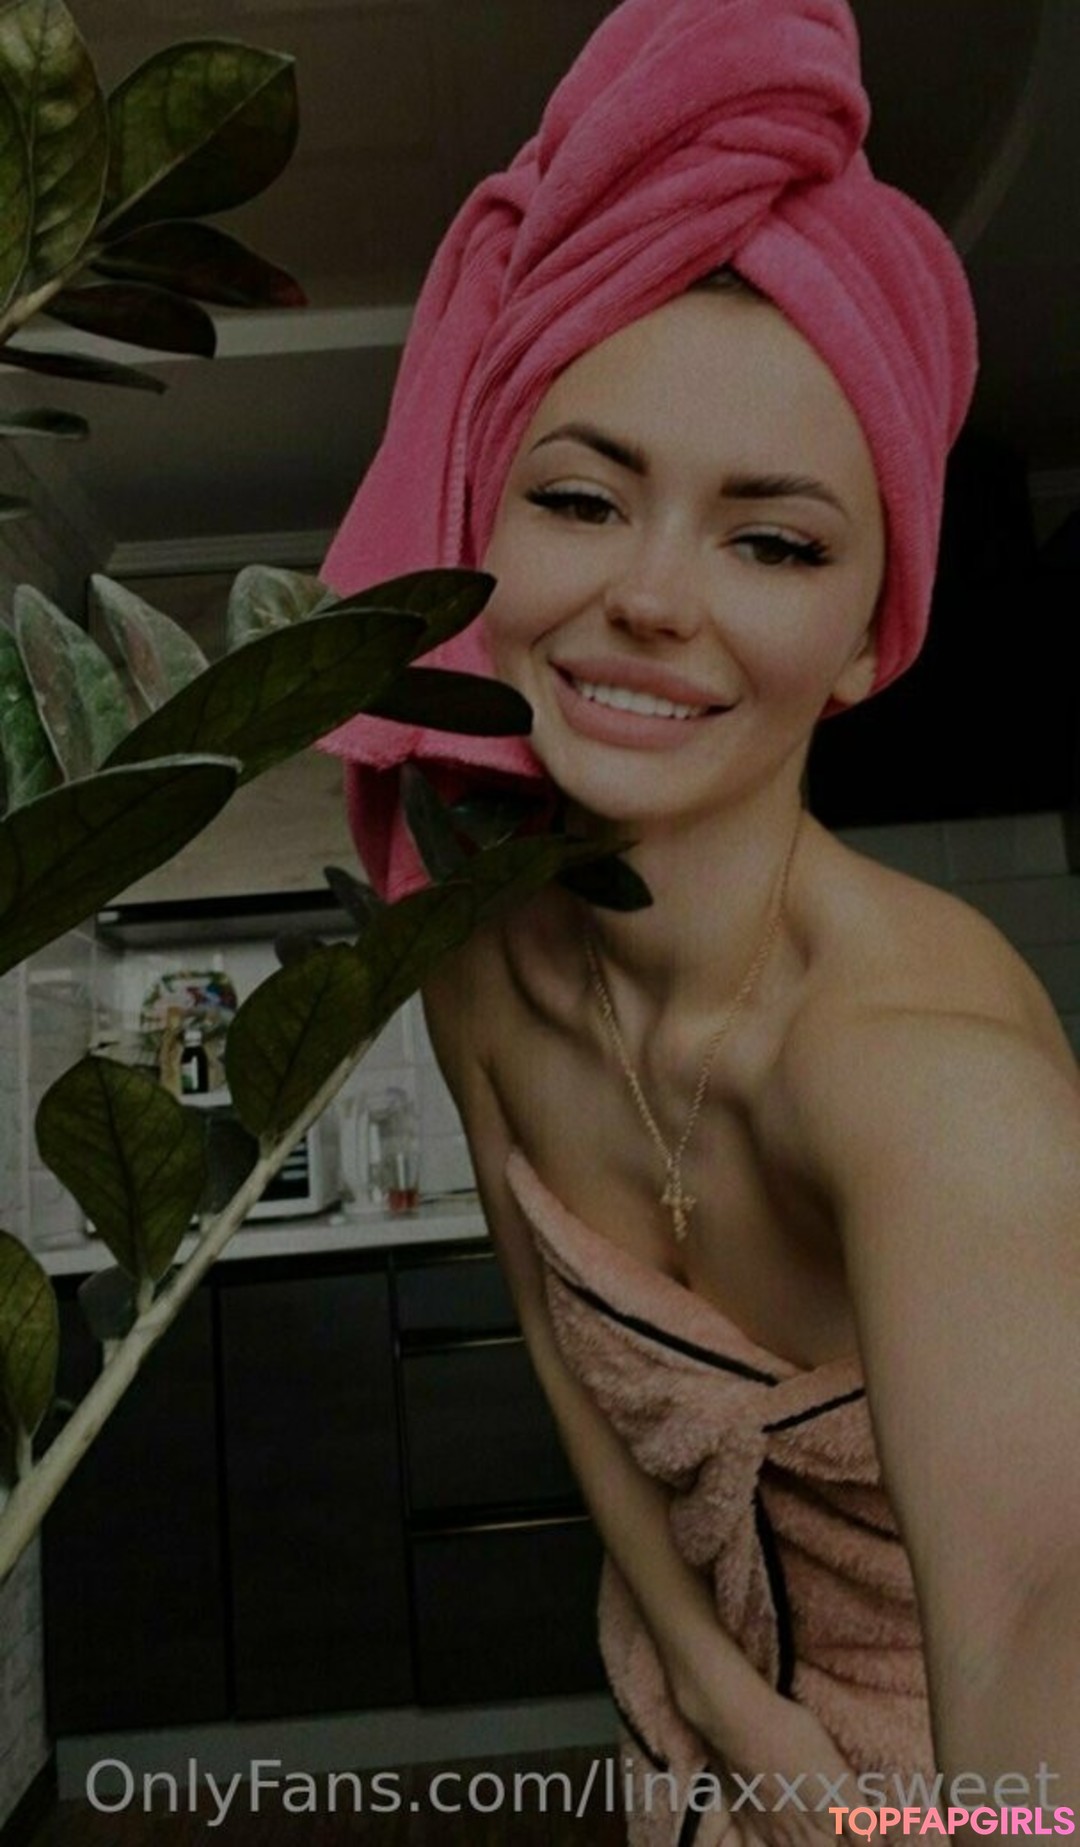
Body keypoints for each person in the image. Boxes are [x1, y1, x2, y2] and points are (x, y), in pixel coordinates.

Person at [319, 2, 1080, 1840]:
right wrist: (726, 1704)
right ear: (484, 533)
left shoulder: (934, 1088)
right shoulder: (473, 955)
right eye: (583, 499)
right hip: (697, 1726)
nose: (655, 596)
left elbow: (1033, 1625)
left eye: (774, 540)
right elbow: (561, 1357)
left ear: (868, 638)